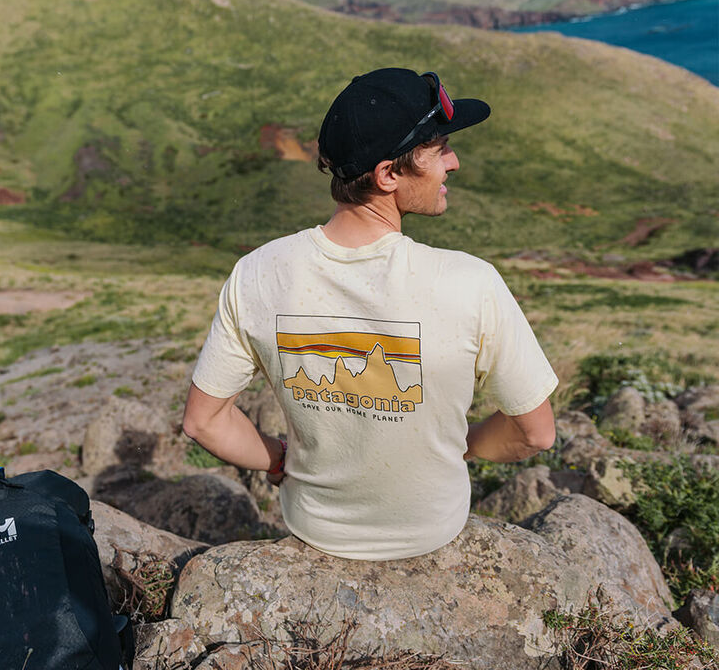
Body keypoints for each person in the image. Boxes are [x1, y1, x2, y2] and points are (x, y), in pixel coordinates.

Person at [182, 67, 558, 561]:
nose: (454, 162)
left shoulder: (258, 272)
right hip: (432, 532)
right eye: (439, 148)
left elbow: (202, 422)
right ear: (388, 175)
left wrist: (278, 459)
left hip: (313, 528)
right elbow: (536, 433)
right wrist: (457, 445)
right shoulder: (470, 283)